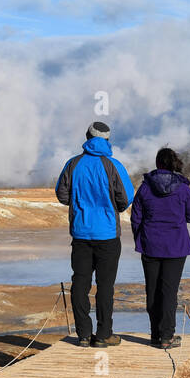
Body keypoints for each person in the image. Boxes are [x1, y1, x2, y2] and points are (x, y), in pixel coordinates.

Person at [55, 121, 134, 347]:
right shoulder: (113, 165)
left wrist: (80, 206)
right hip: (107, 234)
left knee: (80, 282)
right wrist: (112, 208)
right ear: (108, 140)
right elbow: (126, 197)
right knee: (105, 285)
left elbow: (62, 194)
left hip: (81, 234)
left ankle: (83, 334)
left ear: (87, 136)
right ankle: (103, 334)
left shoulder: (73, 164)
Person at [130, 147, 190, 349]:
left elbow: (136, 218)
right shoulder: (184, 189)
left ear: (158, 164)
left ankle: (155, 335)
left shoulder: (145, 188)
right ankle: (166, 337)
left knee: (152, 291)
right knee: (169, 292)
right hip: (176, 247)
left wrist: (142, 238)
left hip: (150, 246)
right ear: (173, 164)